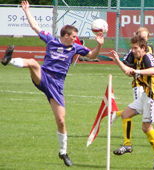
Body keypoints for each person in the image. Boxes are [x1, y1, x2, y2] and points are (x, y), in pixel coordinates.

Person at [1, 0, 104, 167]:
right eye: (73, 36)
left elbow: (92, 55)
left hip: (57, 86)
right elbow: (35, 27)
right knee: (34, 63)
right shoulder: (51, 41)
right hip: (43, 76)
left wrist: (99, 46)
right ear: (66, 36)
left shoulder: (75, 48)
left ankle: (63, 152)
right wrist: (26, 10)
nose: (75, 38)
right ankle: (9, 60)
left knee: (61, 121)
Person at [111, 27, 154, 141]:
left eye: (145, 37)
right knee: (142, 113)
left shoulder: (147, 51)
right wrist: (126, 66)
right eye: (141, 37)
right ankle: (118, 116)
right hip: (139, 85)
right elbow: (128, 65)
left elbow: (152, 63)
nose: (143, 39)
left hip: (151, 88)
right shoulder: (135, 52)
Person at [109, 35, 154, 169]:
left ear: (143, 48)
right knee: (125, 114)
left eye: (136, 48)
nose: (133, 51)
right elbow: (129, 72)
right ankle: (127, 144)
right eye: (132, 48)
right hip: (145, 96)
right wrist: (117, 60)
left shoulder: (148, 57)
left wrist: (137, 70)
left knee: (146, 128)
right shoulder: (139, 59)